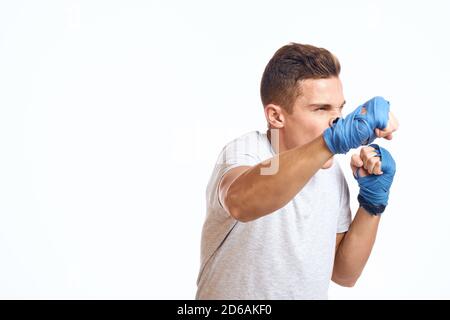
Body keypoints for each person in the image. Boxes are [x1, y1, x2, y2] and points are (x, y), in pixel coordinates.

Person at [195, 42, 399, 299]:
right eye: (321, 109)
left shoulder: (330, 173)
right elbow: (241, 203)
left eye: (340, 108)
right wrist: (330, 142)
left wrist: (372, 202)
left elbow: (343, 274)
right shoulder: (249, 151)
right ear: (276, 116)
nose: (338, 121)